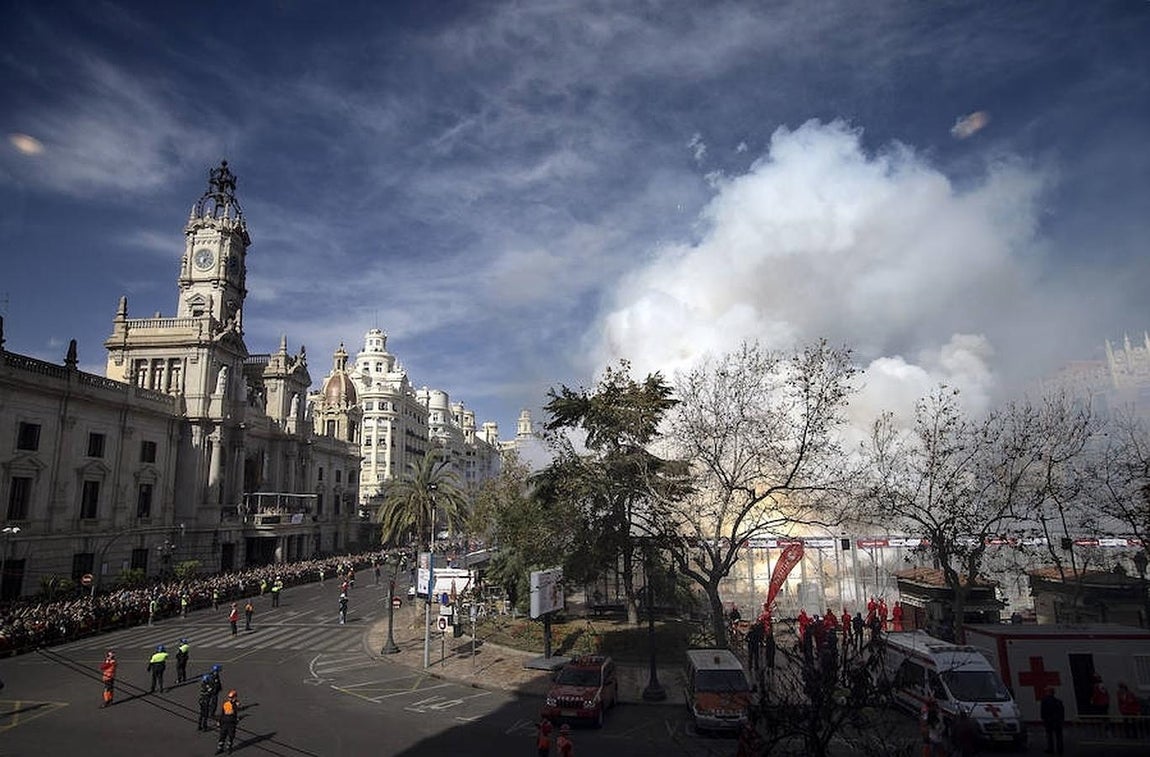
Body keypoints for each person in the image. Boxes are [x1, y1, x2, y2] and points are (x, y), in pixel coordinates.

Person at [1040, 687, 1065, 754]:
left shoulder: (1044, 701)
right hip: (1057, 721)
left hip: (1049, 721)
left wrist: (1043, 720)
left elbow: (1043, 712)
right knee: (1059, 736)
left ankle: (1050, 749)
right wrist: (1062, 720)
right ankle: (1060, 749)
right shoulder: (1058, 702)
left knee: (1049, 736)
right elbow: (1062, 712)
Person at [216, 689, 240, 754]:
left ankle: (229, 748)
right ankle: (220, 748)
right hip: (224, 722)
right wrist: (219, 721)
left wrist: (234, 702)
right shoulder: (225, 704)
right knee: (222, 736)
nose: (229, 698)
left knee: (231, 736)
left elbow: (235, 708)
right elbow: (222, 713)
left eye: (231, 697)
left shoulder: (235, 704)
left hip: (231, 723)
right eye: (229, 697)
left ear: (234, 697)